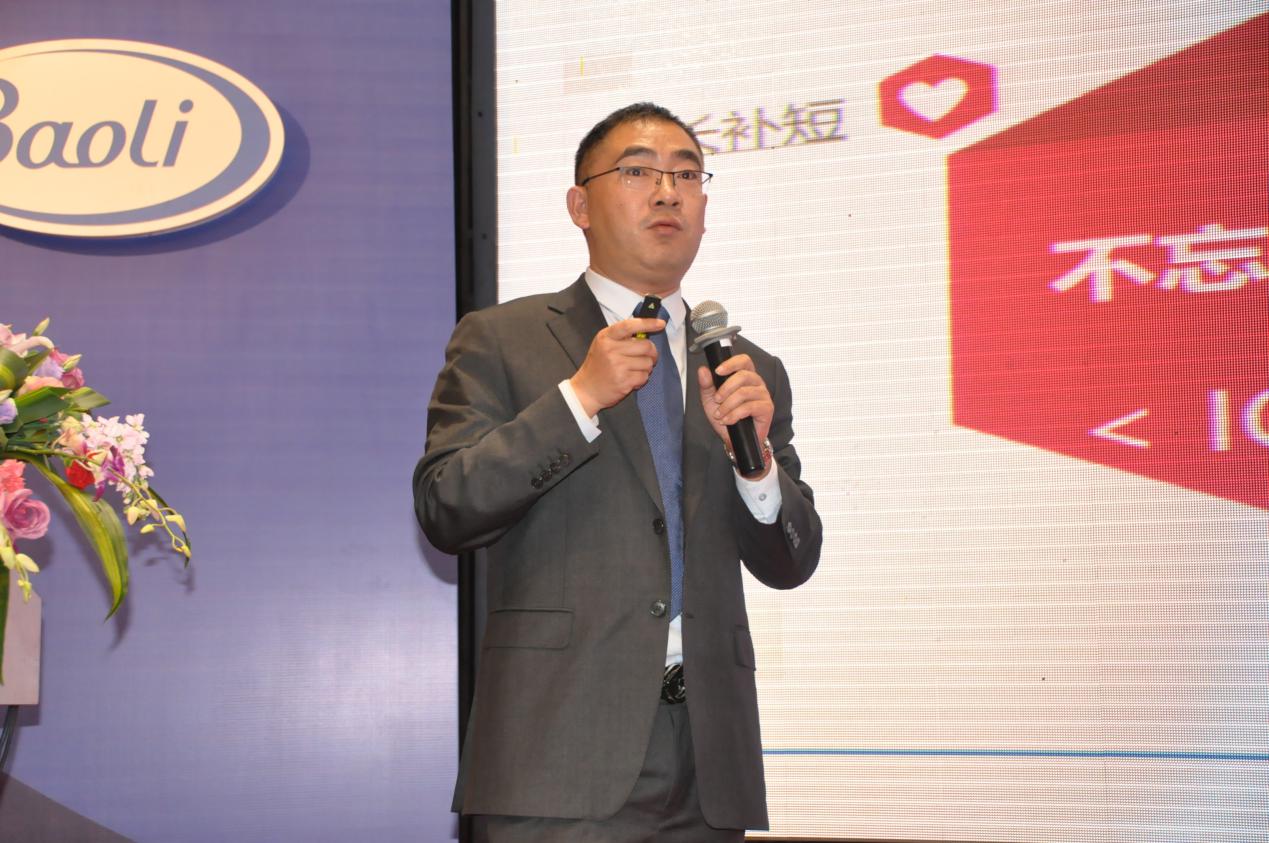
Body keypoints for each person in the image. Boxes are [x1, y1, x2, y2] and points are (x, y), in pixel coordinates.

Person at [414, 102, 822, 842]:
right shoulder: (502, 339)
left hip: (708, 764)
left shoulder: (747, 369)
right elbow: (447, 506)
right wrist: (577, 399)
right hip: (556, 755)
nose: (667, 192)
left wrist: (755, 464)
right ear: (580, 205)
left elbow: (790, 562)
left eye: (687, 175)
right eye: (637, 171)